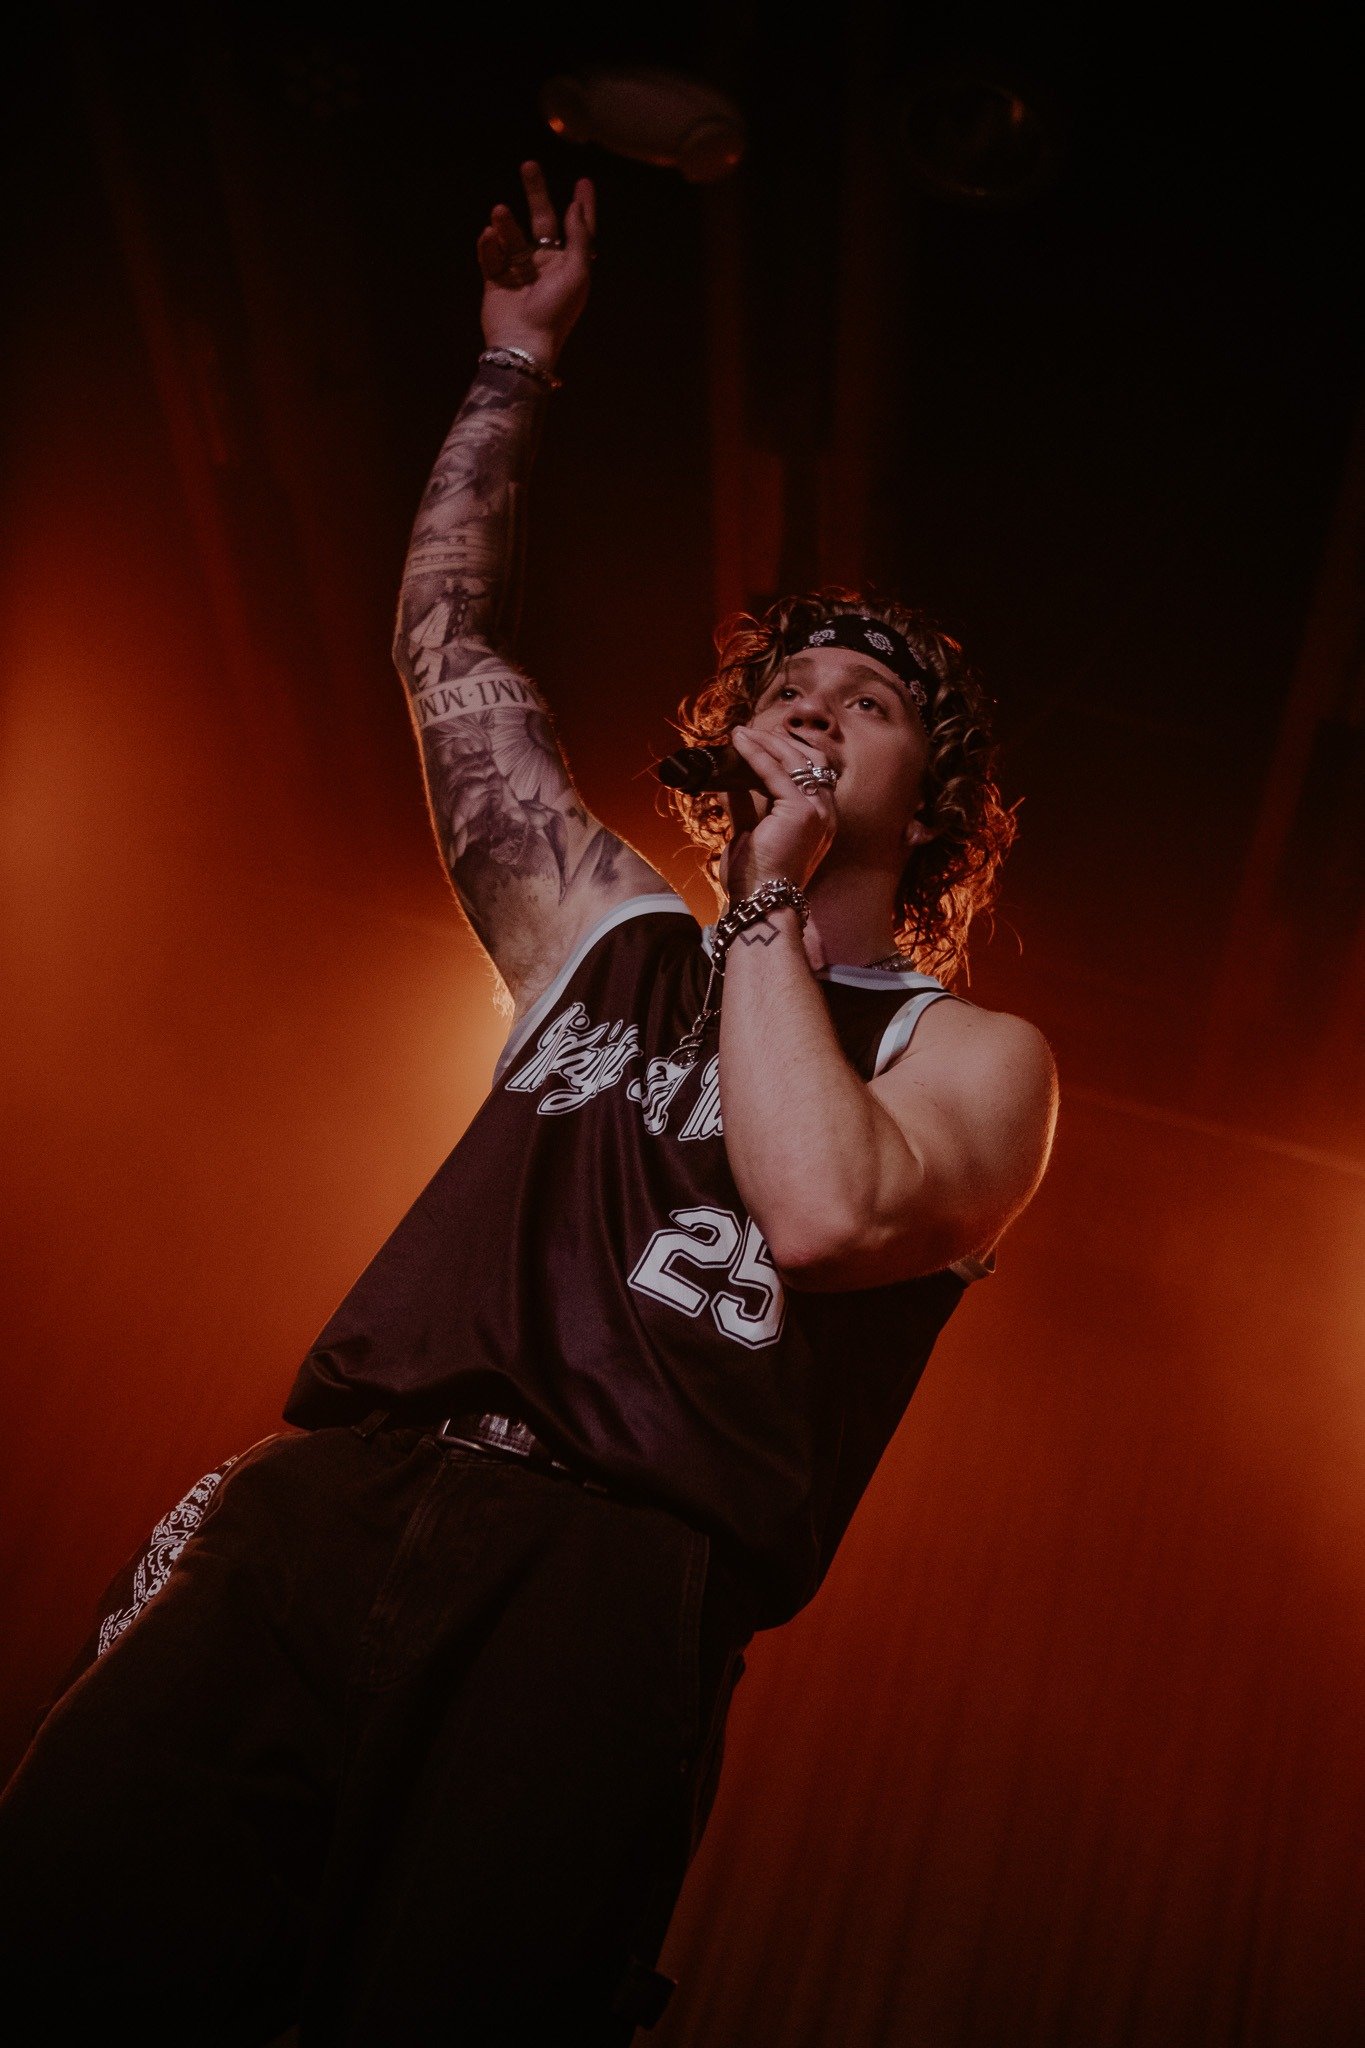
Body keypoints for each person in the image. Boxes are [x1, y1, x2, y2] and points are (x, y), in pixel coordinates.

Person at [0, 162, 1056, 2044]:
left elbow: (821, 1215)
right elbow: (448, 659)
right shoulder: (605, 936)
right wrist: (512, 367)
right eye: (790, 683)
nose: (816, 705)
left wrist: (761, 901)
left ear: (935, 803)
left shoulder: (970, 1056)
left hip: (609, 1579)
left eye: (868, 702)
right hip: (337, 1492)